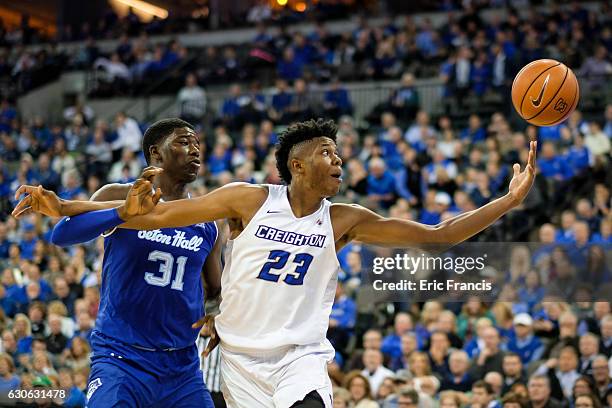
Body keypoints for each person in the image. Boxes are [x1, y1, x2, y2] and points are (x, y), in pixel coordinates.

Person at [14, 118, 538, 408]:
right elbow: (131, 218)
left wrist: (508, 201)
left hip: (256, 358)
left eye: (339, 153)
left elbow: (438, 236)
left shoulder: (340, 219)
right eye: (328, 152)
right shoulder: (241, 200)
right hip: (183, 358)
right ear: (298, 164)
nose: (338, 161)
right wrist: (65, 206)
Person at [14, 119, 222, 407]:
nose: (195, 149)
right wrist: (123, 213)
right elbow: (62, 234)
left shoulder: (205, 220)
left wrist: (214, 314)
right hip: (122, 358)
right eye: (184, 142)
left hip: (182, 368)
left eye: (197, 143)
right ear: (156, 153)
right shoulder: (118, 195)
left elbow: (215, 291)